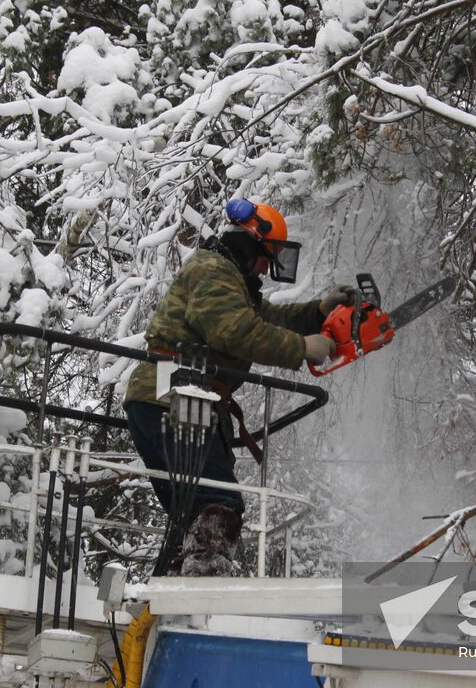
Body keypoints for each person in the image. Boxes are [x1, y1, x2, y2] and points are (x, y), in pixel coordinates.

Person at [124, 199, 351, 575]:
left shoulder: (224, 278)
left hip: (174, 398)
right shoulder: (212, 270)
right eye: (267, 256)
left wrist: (318, 312)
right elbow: (235, 330)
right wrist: (301, 347)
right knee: (218, 502)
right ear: (250, 244)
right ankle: (201, 587)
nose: (266, 266)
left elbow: (265, 318)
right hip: (174, 396)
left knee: (193, 513)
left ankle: (169, 586)